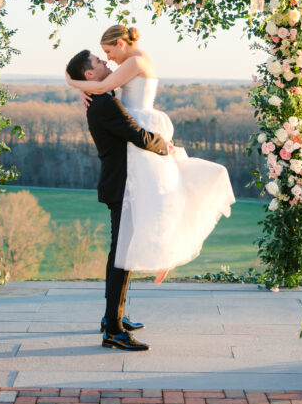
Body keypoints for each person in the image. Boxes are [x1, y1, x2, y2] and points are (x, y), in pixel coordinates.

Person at [66, 24, 236, 285]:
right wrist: (84, 87)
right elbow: (101, 86)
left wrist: (71, 82)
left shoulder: (135, 61)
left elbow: (102, 87)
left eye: (108, 51)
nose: (108, 57)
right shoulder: (134, 61)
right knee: (155, 199)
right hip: (138, 124)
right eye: (103, 55)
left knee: (158, 198)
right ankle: (159, 258)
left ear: (121, 44)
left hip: (140, 125)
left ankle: (164, 252)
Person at [64, 47, 169, 352]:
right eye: (99, 61)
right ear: (90, 75)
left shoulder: (102, 99)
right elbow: (136, 134)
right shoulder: (105, 104)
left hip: (122, 184)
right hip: (122, 186)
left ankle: (115, 317)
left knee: (122, 255)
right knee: (121, 258)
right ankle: (113, 330)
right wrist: (166, 146)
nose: (106, 61)